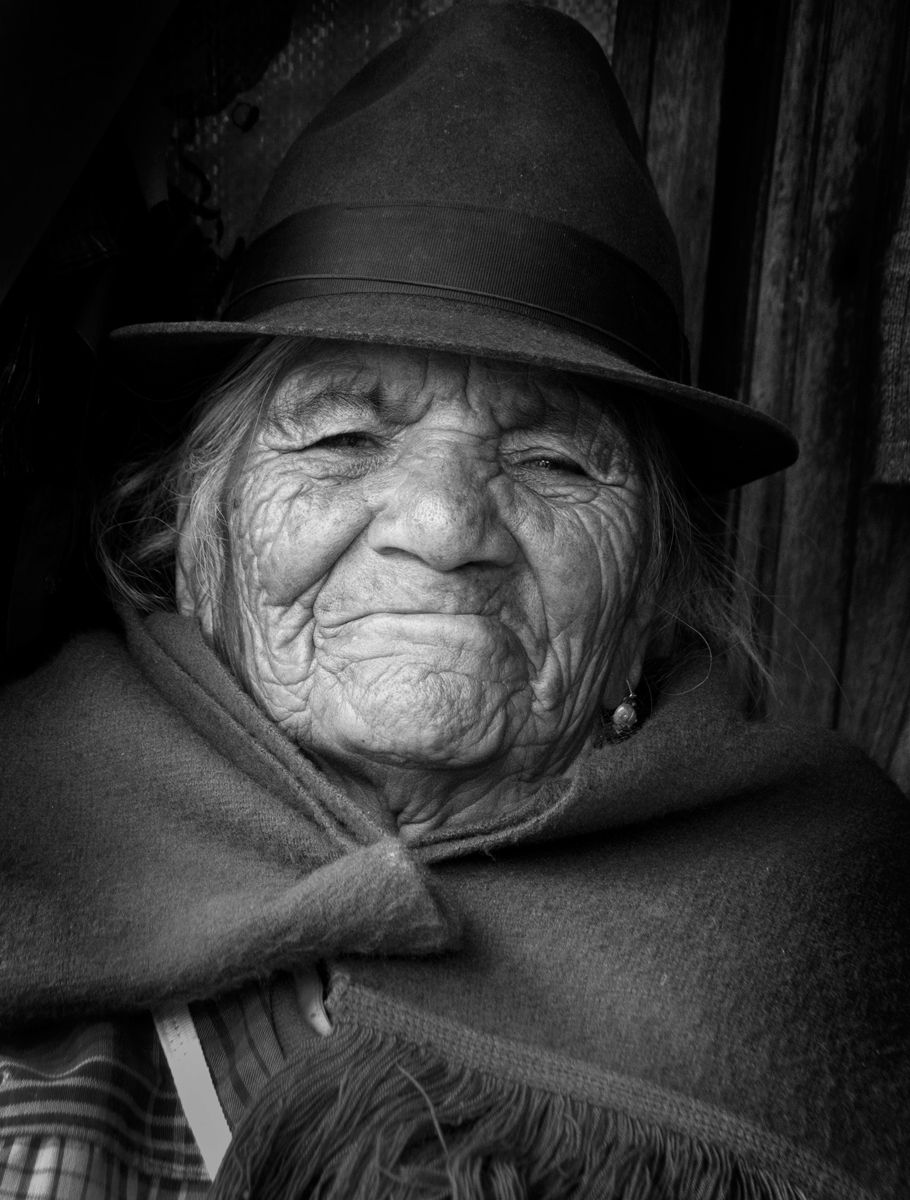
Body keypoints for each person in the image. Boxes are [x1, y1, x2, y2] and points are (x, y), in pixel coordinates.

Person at [1, 3, 908, 1198]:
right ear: (189, 525)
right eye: (338, 436)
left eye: (551, 462)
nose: (440, 529)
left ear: (654, 586)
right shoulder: (27, 814)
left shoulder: (825, 915)